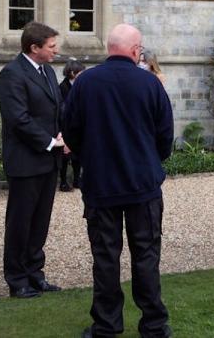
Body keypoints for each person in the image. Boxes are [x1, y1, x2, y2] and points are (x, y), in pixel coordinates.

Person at [62, 24, 174, 338]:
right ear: (136, 49)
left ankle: (107, 325)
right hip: (142, 185)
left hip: (101, 185)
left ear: (109, 48)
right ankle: (153, 325)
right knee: (147, 254)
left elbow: (71, 129)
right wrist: (150, 161)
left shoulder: (85, 83)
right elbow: (165, 134)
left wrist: (91, 159)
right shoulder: (150, 84)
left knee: (105, 256)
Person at [0, 21, 65, 299]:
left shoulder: (47, 71)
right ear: (34, 48)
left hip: (48, 161)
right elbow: (18, 119)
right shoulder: (11, 75)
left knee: (40, 222)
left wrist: (63, 135)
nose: (56, 51)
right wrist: (49, 142)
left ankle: (36, 274)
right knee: (20, 223)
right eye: (51, 46)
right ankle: (17, 279)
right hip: (25, 162)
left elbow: (55, 109)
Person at [58, 59, 85, 191]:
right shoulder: (62, 88)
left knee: (77, 156)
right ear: (73, 73)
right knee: (65, 156)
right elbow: (61, 110)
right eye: (81, 72)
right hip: (65, 125)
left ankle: (76, 179)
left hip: (78, 124)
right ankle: (63, 181)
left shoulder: (81, 86)